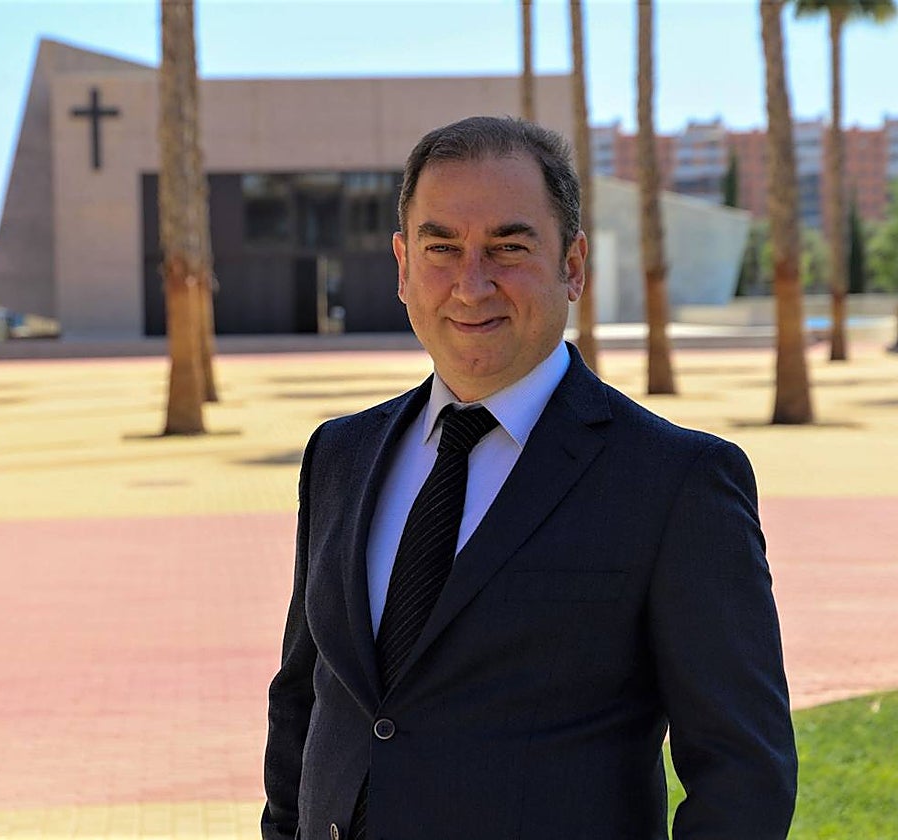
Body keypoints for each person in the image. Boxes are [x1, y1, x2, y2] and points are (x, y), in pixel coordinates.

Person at [261, 116, 797, 840]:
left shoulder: (677, 483)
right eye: (441, 247)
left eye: (508, 247)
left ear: (572, 265)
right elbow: (305, 700)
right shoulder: (339, 455)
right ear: (402, 264)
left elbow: (745, 776)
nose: (471, 283)